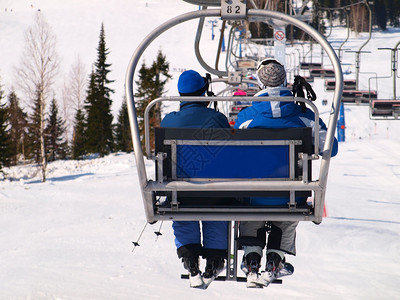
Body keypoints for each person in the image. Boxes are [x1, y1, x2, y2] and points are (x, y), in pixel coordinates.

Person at [234, 58, 338, 287]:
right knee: (287, 217)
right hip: (291, 194)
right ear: (285, 81)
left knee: (253, 212)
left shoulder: (246, 118)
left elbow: (231, 153)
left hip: (253, 194)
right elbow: (332, 147)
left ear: (260, 82)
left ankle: (252, 259)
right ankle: (275, 259)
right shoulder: (304, 115)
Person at [161, 70, 231, 287]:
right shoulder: (217, 119)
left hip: (181, 192)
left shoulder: (169, 121)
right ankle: (215, 259)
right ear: (204, 92)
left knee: (182, 207)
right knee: (215, 209)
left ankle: (191, 260)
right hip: (215, 193)